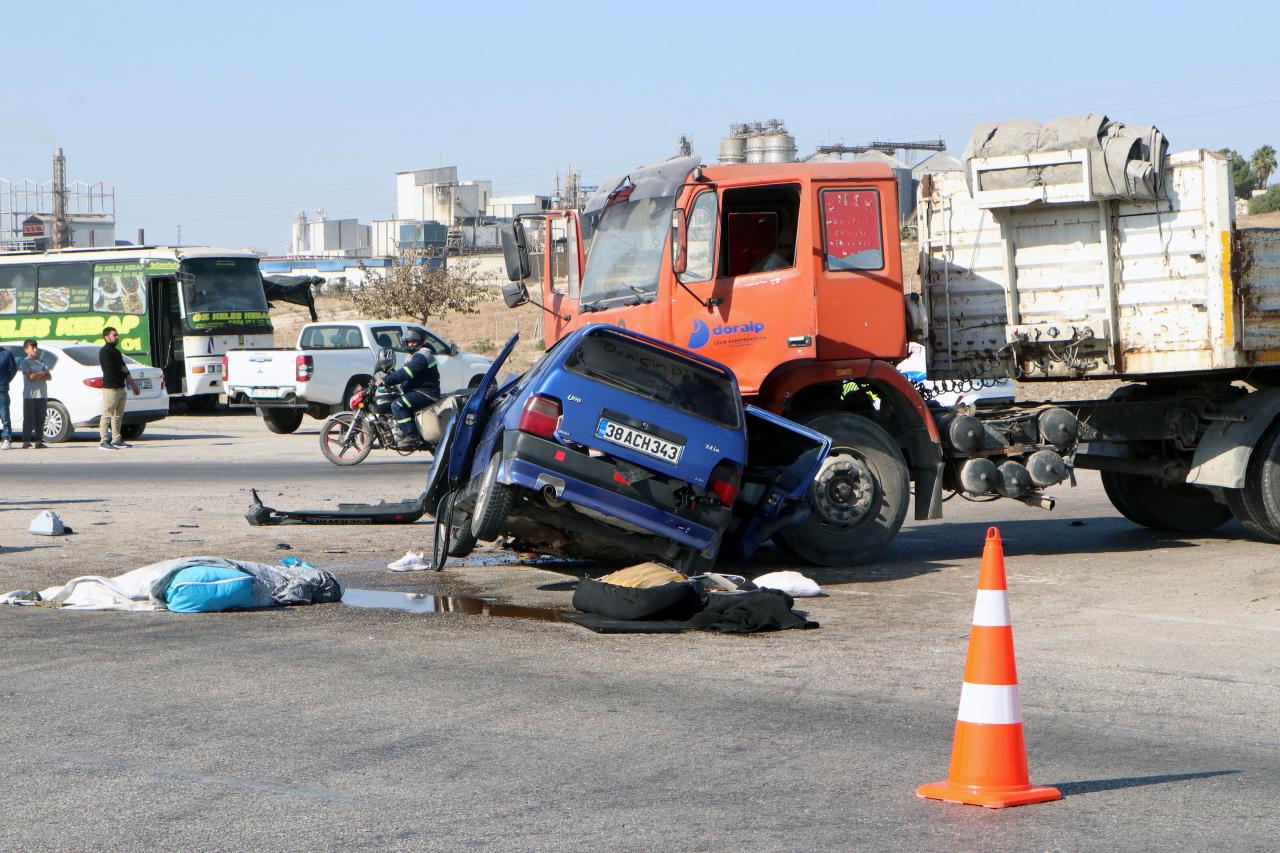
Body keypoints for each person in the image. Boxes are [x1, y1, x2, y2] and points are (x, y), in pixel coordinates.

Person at [377, 328, 440, 449]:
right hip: (417, 390)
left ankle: (412, 437)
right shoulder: (414, 355)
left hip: (426, 392)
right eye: (409, 341)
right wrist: (390, 377)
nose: (410, 344)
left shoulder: (423, 355)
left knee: (398, 405)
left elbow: (407, 373)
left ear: (421, 341)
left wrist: (386, 381)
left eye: (413, 342)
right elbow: (404, 373)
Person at [98, 326, 140, 450]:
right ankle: (104, 441)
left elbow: (125, 369)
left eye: (117, 335)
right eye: (114, 335)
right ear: (107, 338)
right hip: (110, 388)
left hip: (121, 388)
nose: (117, 337)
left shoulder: (116, 352)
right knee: (107, 414)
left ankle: (117, 439)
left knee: (118, 415)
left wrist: (133, 385)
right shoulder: (104, 351)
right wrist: (122, 369)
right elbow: (110, 368)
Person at [19, 339, 51, 449]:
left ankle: (38, 441)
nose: (35, 350)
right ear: (26, 350)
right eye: (32, 348)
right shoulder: (25, 362)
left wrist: (40, 374)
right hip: (29, 396)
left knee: (40, 419)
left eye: (36, 347)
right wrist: (42, 373)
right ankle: (26, 441)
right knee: (28, 419)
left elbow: (49, 377)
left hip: (42, 394)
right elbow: (30, 376)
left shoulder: (41, 362)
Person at [0, 344, 16, 450]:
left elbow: (13, 370)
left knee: (5, 416)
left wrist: (5, 382)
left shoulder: (6, 354)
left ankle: (6, 439)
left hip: (1, 390)